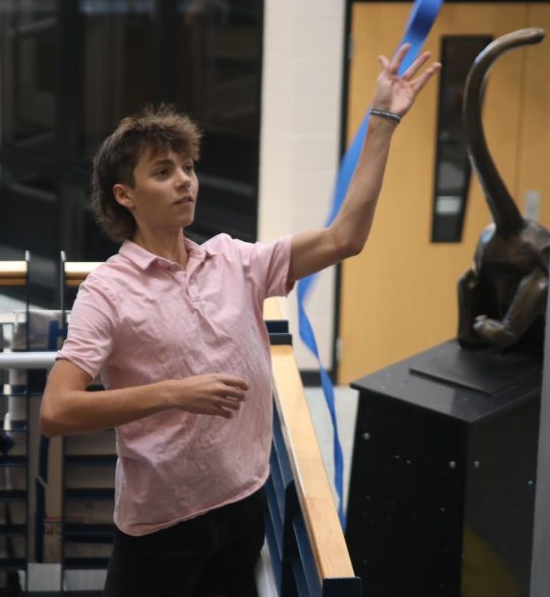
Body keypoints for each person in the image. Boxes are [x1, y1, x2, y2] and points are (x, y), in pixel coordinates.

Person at [40, 44, 440, 597]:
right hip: (160, 527)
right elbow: (57, 410)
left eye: (188, 167)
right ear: (125, 195)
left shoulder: (234, 260)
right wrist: (174, 393)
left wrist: (383, 121)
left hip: (244, 506)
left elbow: (345, 237)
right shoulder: (108, 290)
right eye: (164, 171)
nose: (185, 180)